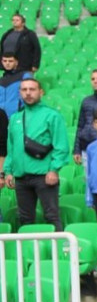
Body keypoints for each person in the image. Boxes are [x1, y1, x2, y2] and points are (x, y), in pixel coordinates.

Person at [4, 79, 69, 228]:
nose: (28, 93)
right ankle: (30, 251)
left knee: (51, 215)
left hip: (44, 176)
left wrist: (54, 169)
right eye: (24, 90)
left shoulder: (52, 115)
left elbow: (61, 146)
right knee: (24, 218)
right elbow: (11, 147)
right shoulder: (15, 118)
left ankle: (58, 249)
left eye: (32, 89)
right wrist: (8, 171)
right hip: (21, 177)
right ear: (20, 93)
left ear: (41, 92)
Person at [0, 51, 30, 119]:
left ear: (16, 62)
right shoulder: (1, 80)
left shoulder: (24, 76)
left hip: (18, 116)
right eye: (5, 61)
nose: (7, 63)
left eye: (10, 61)